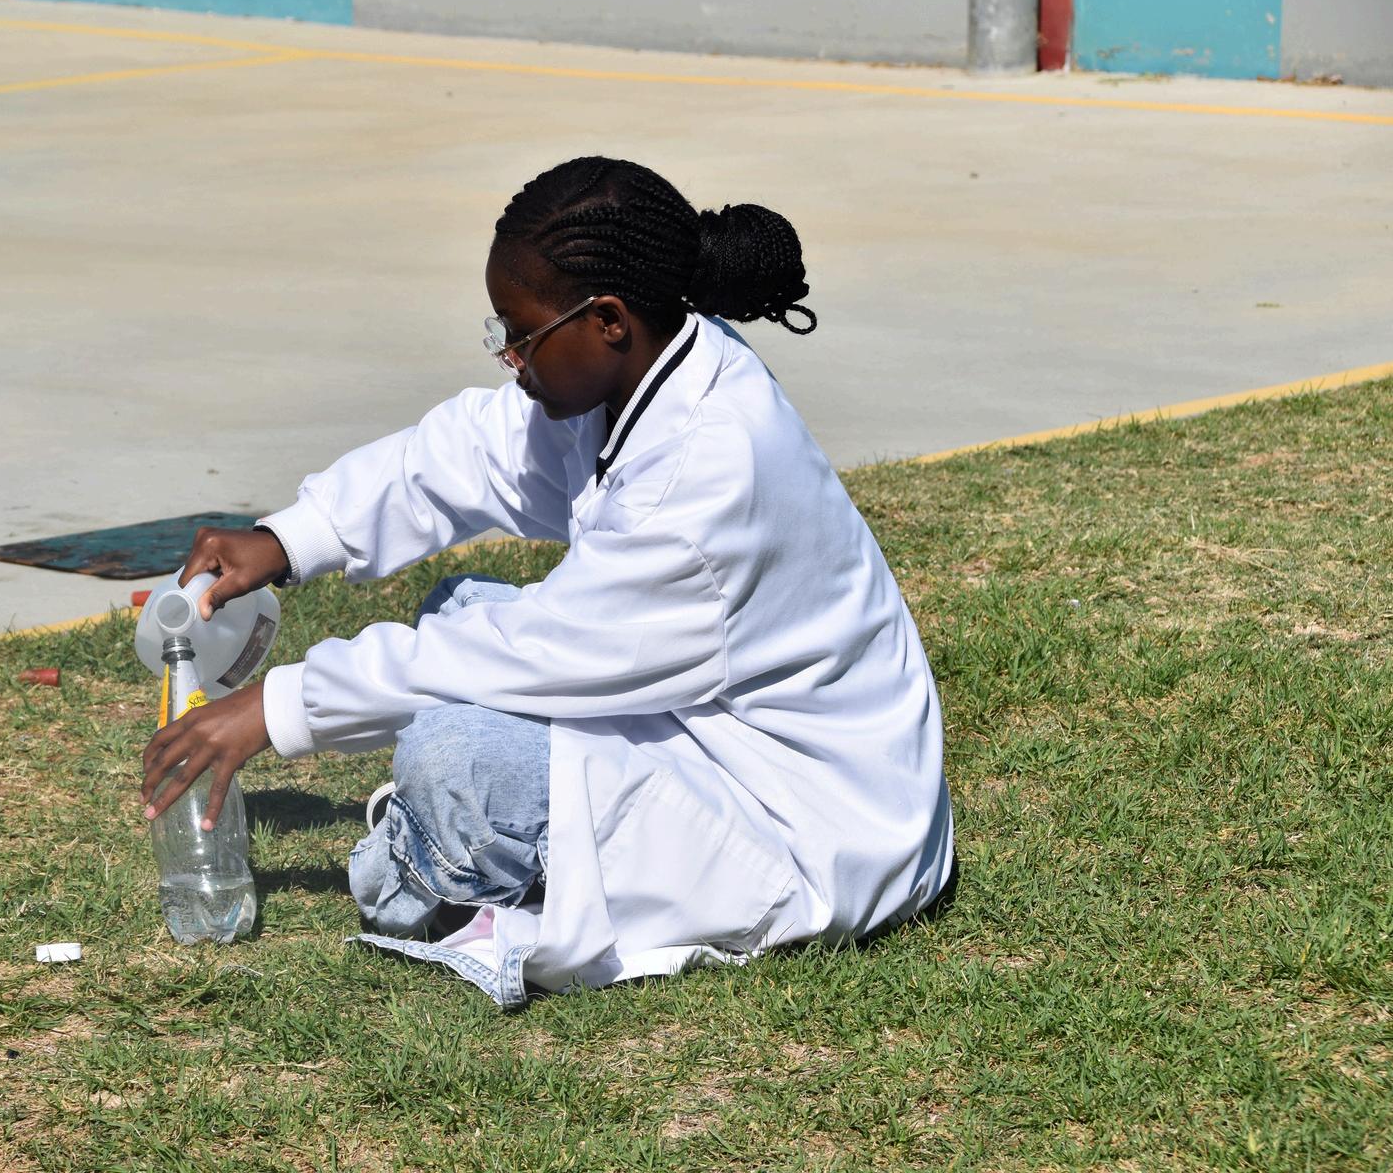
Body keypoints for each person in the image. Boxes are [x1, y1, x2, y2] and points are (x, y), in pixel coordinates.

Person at [140, 156, 954, 1007]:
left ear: (606, 320)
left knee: (455, 757)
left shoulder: (705, 478)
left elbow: (523, 650)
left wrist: (277, 707)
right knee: (460, 611)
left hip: (817, 830)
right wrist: (288, 538)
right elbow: (469, 453)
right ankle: (474, 847)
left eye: (522, 335)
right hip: (719, 727)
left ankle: (414, 866)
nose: (509, 357)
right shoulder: (657, 360)